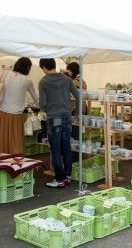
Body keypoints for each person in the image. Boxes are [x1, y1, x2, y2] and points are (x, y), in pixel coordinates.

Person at [39, 58, 81, 188]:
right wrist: (77, 114)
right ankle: (67, 176)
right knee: (66, 147)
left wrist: (42, 107)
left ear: (44, 67)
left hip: (54, 118)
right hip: (67, 117)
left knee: (56, 149)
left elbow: (43, 103)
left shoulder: (43, 81)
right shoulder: (66, 79)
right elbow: (79, 96)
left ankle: (59, 179)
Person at [0, 57, 39, 155]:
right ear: (27, 68)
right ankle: (13, 165)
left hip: (0, 112)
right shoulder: (27, 81)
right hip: (16, 116)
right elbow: (36, 98)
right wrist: (43, 106)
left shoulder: (5, 73)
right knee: (15, 144)